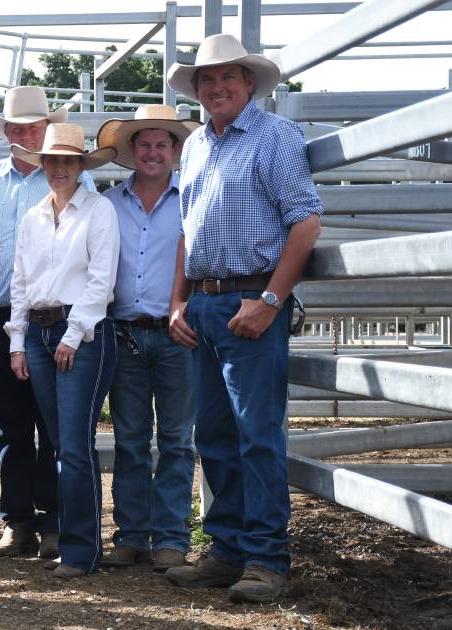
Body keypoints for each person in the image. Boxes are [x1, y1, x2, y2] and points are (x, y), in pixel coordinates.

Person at [162, 34, 322, 603]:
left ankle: (265, 557)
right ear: (198, 89)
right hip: (206, 304)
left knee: (256, 433)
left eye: (228, 76)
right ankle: (226, 549)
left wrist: (272, 300)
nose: (217, 86)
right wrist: (178, 302)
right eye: (207, 79)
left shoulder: (275, 136)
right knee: (214, 433)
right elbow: (186, 231)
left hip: (252, 300)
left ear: (249, 83)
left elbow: (305, 224)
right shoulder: (197, 145)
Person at [0, 85, 96, 559]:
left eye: (33, 127)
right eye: (16, 127)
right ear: (6, 133)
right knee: (13, 421)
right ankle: (17, 521)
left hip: (59, 315)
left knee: (55, 421)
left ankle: (54, 520)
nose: (24, 133)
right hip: (1, 312)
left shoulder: (71, 183)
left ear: (46, 130)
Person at [6, 123, 118, 578]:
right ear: (43, 165)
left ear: (80, 166)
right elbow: (20, 281)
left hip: (82, 332)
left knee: (73, 445)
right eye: (52, 161)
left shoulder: (99, 210)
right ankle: (75, 544)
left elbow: (101, 279)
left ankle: (79, 550)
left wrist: (73, 335)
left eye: (68, 161)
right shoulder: (33, 215)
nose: (58, 169)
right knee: (60, 443)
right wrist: (17, 341)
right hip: (38, 331)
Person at [95, 104, 201, 572]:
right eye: (145, 144)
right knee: (131, 440)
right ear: (131, 150)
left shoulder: (193, 199)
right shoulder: (109, 204)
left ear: (176, 152)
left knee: (177, 440)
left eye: (163, 144)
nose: (153, 152)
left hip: (178, 333)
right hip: (125, 335)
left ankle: (172, 537)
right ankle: (132, 535)